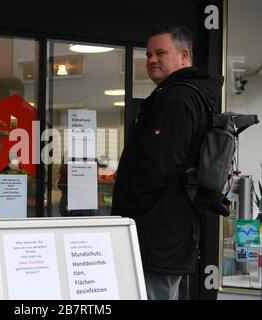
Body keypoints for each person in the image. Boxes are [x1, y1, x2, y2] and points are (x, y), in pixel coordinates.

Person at [111, 24, 223, 300]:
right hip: (168, 228)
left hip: (157, 230)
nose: (151, 60)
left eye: (160, 52)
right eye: (149, 54)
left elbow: (158, 165)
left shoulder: (177, 97)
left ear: (184, 56)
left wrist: (127, 210)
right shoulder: (188, 94)